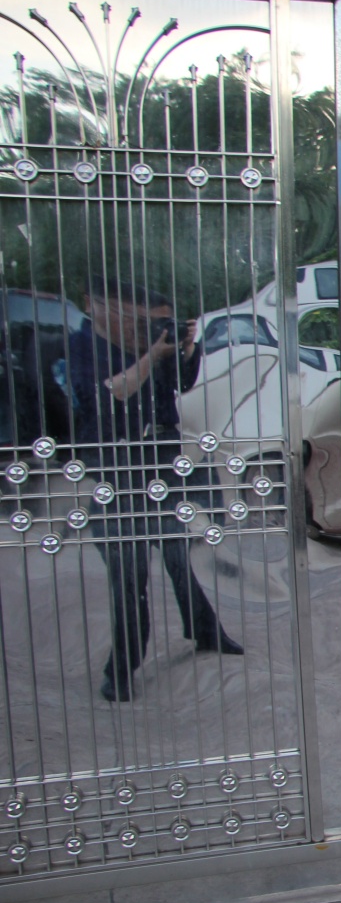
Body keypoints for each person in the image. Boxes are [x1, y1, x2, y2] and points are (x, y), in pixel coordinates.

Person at [66, 276, 241, 704]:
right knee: (130, 570)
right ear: (94, 305)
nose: (142, 326)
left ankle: (205, 630)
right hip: (117, 466)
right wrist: (151, 354)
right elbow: (111, 395)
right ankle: (121, 669)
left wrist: (184, 348)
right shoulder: (82, 345)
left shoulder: (145, 343)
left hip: (159, 459)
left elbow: (180, 384)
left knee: (178, 551)